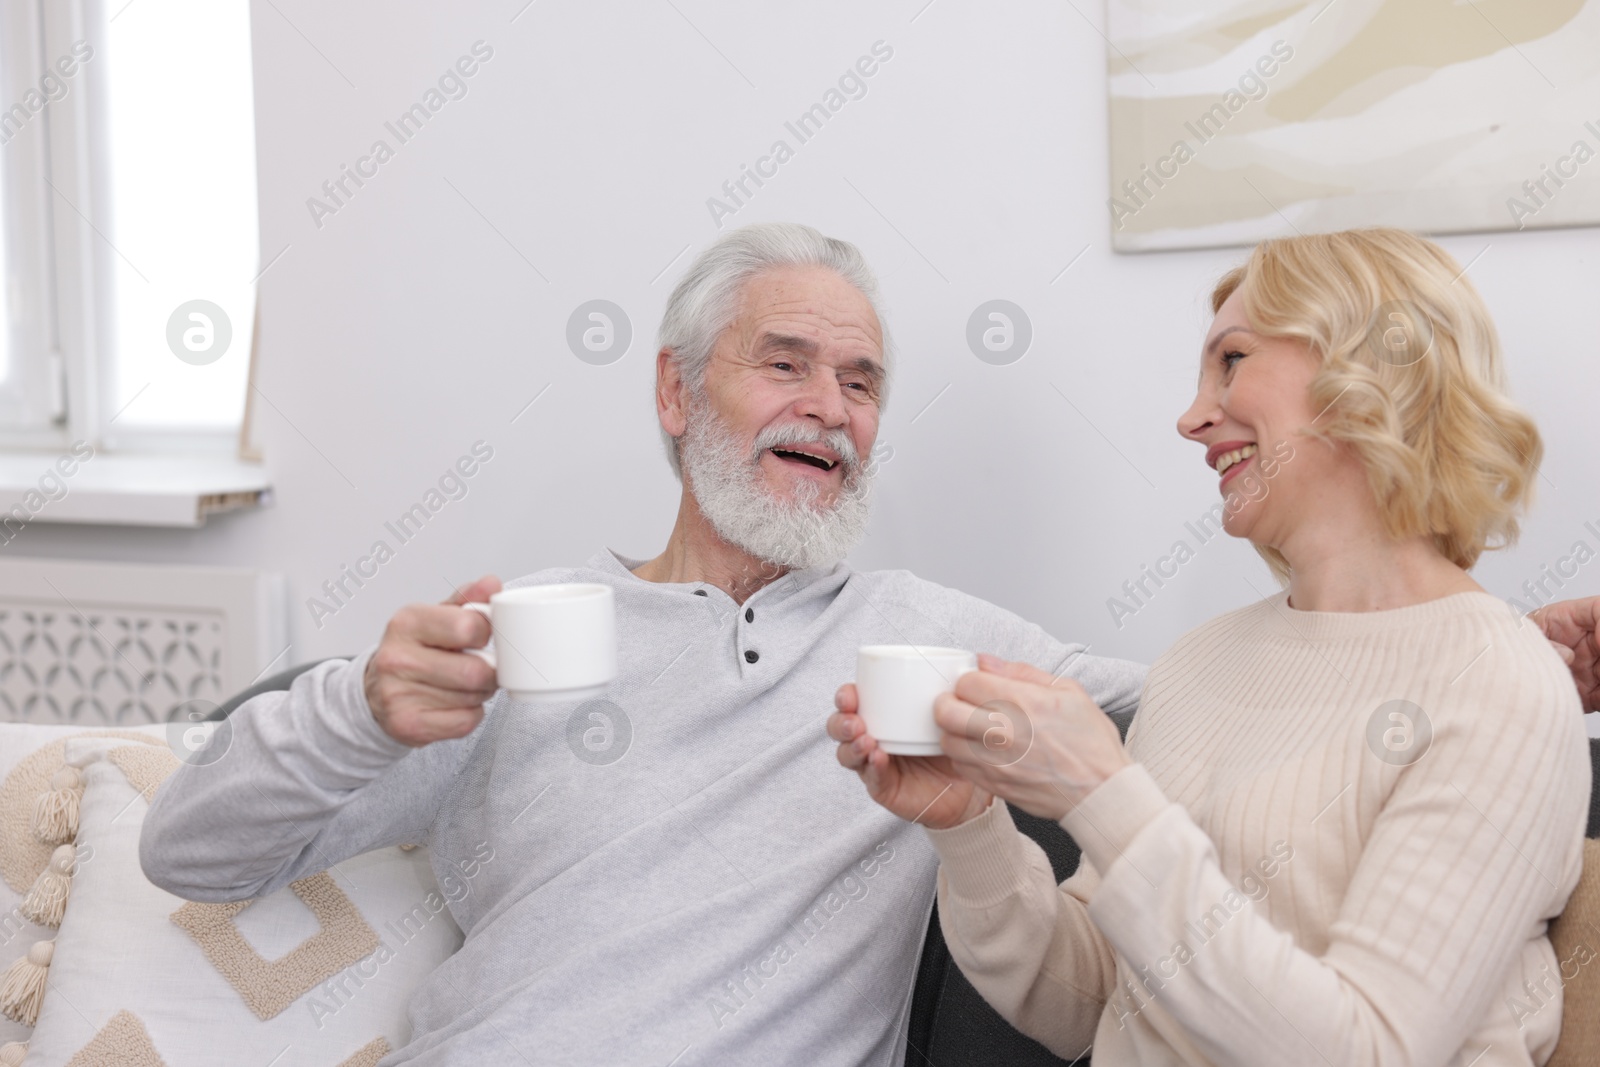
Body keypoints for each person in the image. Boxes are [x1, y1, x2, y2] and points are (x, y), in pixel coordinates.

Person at [140, 222, 1594, 1066]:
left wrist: (1488, 646)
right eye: (784, 361)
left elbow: (1279, 712)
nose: (830, 404)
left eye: (862, 379)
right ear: (671, 391)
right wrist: (358, 708)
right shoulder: (519, 636)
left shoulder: (933, 643)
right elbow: (190, 854)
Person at [830, 227, 1592, 1066]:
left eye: (1232, 360)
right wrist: (969, 826)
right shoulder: (1199, 662)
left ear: (1370, 367)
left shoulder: (1504, 688)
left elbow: (1367, 1050)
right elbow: (1089, 1003)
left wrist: (1103, 791)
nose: (1192, 417)